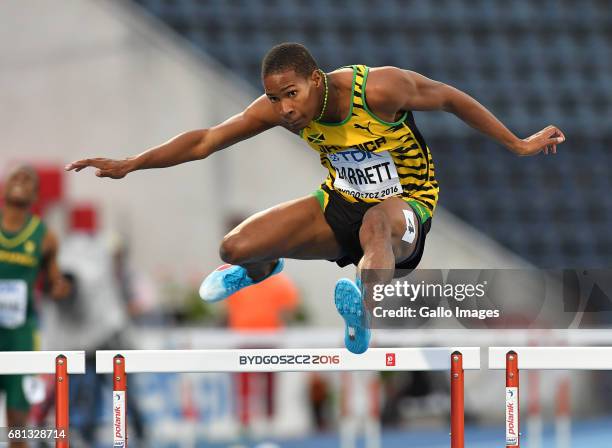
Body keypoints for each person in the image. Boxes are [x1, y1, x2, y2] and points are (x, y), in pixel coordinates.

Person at [66, 43, 565, 354]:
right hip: (338, 203)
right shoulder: (276, 109)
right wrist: (132, 162)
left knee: (375, 225)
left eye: (291, 95)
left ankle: (363, 309)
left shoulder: (378, 89)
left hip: (404, 209)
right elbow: (204, 141)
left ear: (316, 80)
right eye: (274, 97)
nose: (283, 109)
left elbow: (451, 97)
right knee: (235, 248)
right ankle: (262, 269)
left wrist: (516, 143)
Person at [0, 165, 70, 447]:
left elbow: (55, 282)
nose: (20, 181)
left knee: (18, 417)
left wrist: (60, 287)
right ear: (4, 188)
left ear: (36, 195)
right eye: (15, 177)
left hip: (21, 333)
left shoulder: (46, 237)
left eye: (27, 180)